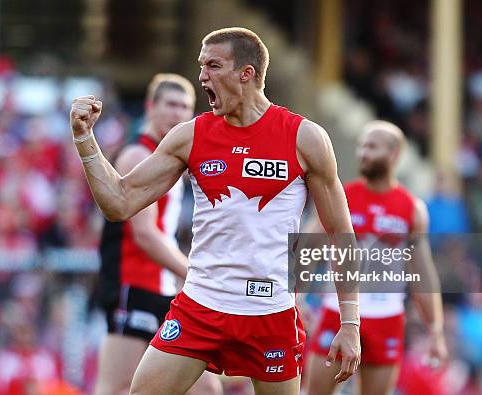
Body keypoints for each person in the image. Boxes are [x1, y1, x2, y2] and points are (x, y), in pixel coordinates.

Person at [70, 27, 361, 395]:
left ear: (246, 73)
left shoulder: (304, 137)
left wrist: (350, 322)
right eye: (201, 66)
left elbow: (340, 233)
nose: (202, 76)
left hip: (270, 312)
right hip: (201, 305)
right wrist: (84, 141)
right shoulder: (190, 136)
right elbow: (120, 201)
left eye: (213, 65)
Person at [93, 74, 221, 395]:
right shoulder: (140, 155)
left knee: (204, 387)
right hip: (133, 285)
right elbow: (145, 234)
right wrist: (192, 274)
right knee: (116, 386)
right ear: (151, 106)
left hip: (161, 288)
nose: (179, 114)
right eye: (171, 105)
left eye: (186, 107)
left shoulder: (171, 159)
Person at [304, 121, 448, 395]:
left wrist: (436, 331)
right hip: (338, 312)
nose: (362, 153)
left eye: (372, 147)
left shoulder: (411, 209)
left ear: (393, 154)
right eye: (361, 146)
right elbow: (310, 244)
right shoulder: (342, 196)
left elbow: (422, 272)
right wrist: (296, 295)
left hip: (386, 316)